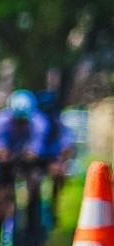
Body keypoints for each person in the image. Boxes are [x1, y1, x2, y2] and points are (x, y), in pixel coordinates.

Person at [0, 89, 47, 246]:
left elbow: (37, 149)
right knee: (1, 195)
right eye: (17, 120)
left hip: (28, 161)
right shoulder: (1, 120)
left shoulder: (39, 122)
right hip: (7, 161)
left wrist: (31, 154)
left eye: (23, 120)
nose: (20, 123)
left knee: (34, 188)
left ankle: (32, 232)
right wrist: (3, 154)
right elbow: (0, 148)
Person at [34, 91, 76, 232]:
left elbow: (66, 144)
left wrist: (60, 161)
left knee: (58, 177)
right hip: (35, 159)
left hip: (51, 158)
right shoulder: (36, 122)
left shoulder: (57, 123)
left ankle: (53, 206)